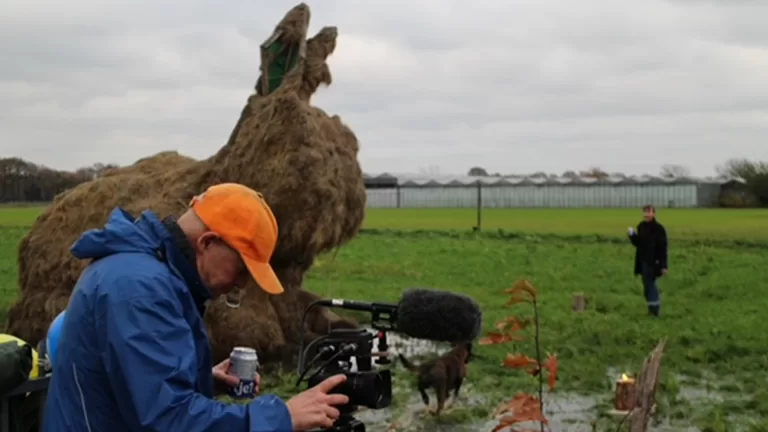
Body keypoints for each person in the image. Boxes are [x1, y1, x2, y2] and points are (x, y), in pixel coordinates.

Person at [43, 183, 349, 431]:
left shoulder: (148, 273)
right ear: (207, 242)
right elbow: (168, 420)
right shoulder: (140, 289)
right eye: (242, 269)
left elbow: (133, 385)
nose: (241, 284)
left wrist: (202, 379)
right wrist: (282, 417)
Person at [627, 204, 668, 317]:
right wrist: (632, 235)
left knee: (650, 284)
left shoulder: (659, 229)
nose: (646, 214)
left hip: (654, 262)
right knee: (646, 285)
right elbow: (639, 243)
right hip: (642, 261)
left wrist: (663, 266)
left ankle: (655, 310)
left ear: (653, 213)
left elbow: (663, 248)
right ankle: (651, 308)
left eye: (648, 212)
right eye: (644, 212)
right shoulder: (641, 226)